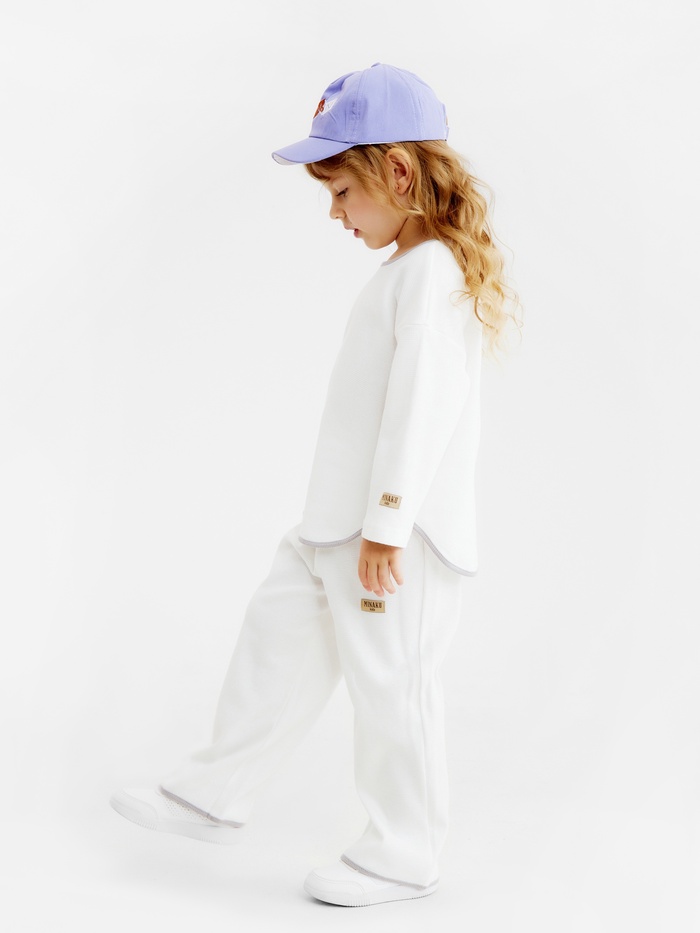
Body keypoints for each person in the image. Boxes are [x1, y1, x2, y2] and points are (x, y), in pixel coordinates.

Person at [110, 62, 518, 908]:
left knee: (390, 683)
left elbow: (422, 409)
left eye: (339, 191)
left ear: (397, 173)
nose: (334, 212)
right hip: (336, 525)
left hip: (393, 538)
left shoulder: (433, 274)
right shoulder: (405, 272)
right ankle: (215, 790)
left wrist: (389, 524)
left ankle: (404, 851)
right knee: (277, 637)